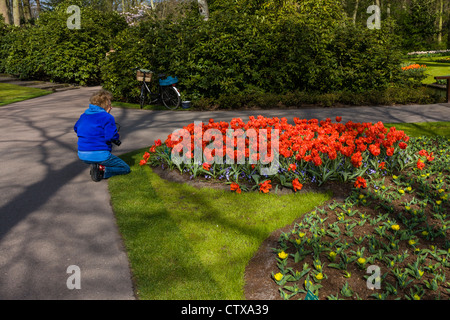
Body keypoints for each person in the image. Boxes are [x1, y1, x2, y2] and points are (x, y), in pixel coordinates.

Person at [74, 89, 130, 182]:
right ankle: (103, 171)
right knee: (125, 168)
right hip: (101, 155)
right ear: (105, 104)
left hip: (82, 154)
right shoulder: (107, 117)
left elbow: (76, 128)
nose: (111, 107)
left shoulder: (84, 115)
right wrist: (117, 136)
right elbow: (110, 136)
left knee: (98, 158)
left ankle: (96, 166)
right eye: (110, 104)